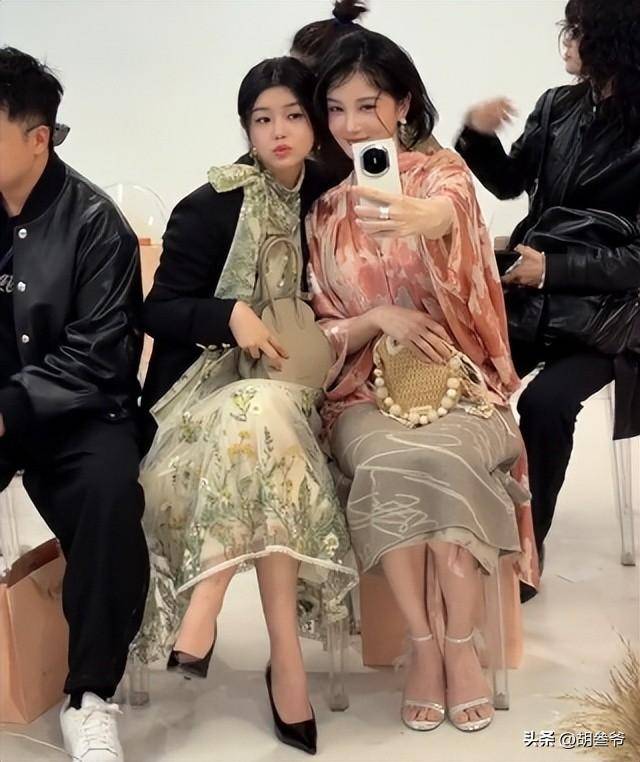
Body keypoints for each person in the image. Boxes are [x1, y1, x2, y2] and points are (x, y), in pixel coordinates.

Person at [307, 30, 535, 734]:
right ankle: (425, 642)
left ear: (403, 104)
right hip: (362, 395)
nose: (351, 125)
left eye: (367, 104)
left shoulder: (442, 177)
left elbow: (454, 219)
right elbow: (322, 328)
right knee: (387, 460)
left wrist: (428, 220)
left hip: (460, 384)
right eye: (336, 109)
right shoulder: (324, 211)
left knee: (447, 457)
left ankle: (461, 643)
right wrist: (377, 318)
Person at [135, 56, 358, 756]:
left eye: (293, 116)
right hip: (202, 403)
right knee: (260, 422)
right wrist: (228, 314)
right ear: (246, 129)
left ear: (315, 125)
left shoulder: (331, 196)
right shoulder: (211, 205)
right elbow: (157, 310)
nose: (279, 132)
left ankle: (207, 601)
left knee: (266, 417)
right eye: (263, 120)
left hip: (299, 394)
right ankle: (287, 662)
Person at [456, 0, 640, 599]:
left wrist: (555, 269)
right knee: (456, 376)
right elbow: (510, 182)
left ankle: (526, 552)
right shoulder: (558, 106)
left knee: (546, 404)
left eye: (578, 31)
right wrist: (478, 134)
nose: (566, 40)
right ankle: (460, 531)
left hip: (609, 317)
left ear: (612, 41)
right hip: (533, 296)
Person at [0, 48, 149, 762]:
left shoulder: (97, 224)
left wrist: (11, 406)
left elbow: (99, 354)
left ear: (39, 138)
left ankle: (90, 696)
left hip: (83, 413)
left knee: (109, 498)